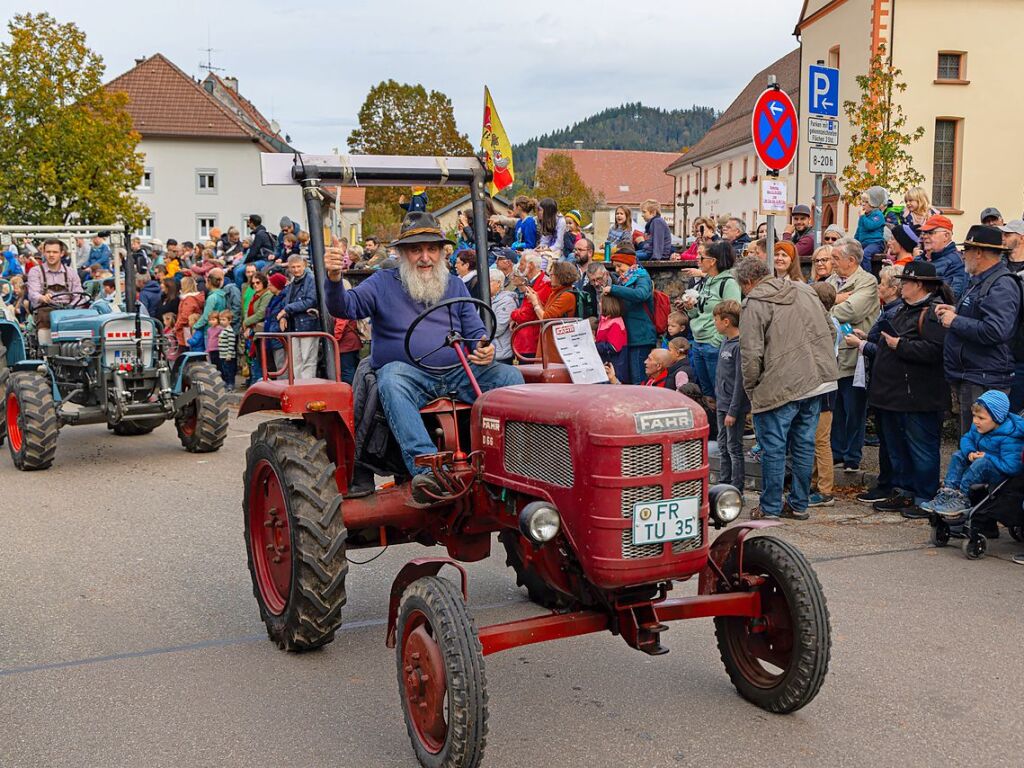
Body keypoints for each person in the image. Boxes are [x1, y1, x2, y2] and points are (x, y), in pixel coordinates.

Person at [323, 211, 523, 501]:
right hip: (410, 374)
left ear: (442, 253)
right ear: (403, 253)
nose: (425, 257)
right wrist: (333, 279)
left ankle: (506, 463)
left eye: (432, 249)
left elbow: (475, 330)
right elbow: (345, 307)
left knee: (510, 376)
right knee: (390, 377)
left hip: (458, 371)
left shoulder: (453, 284)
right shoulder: (382, 282)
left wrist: (484, 347)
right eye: (416, 249)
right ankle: (426, 468)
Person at [734, 256, 839, 520]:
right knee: (804, 444)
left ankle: (770, 507)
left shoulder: (754, 303)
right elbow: (831, 330)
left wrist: (752, 388)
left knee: (774, 447)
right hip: (815, 380)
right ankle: (799, 504)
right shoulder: (803, 288)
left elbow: (750, 353)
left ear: (747, 282)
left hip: (780, 384)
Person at [850, 261, 950, 516]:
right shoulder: (903, 309)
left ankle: (924, 497)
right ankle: (903, 492)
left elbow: (937, 351)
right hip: (893, 395)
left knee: (921, 449)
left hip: (918, 397)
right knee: (898, 449)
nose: (901, 286)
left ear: (918, 285)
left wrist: (900, 345)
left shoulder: (933, 312)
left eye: (905, 282)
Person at [935, 225, 1021, 435]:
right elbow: (981, 315)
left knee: (979, 446)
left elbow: (996, 330)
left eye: (967, 250)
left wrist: (955, 321)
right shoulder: (981, 281)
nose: (963, 255)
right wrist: (956, 312)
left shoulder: (1001, 284)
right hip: (975, 374)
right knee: (970, 443)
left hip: (985, 378)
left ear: (979, 252)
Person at [922, 391, 1024, 516]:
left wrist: (988, 457)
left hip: (999, 472)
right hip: (980, 463)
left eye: (981, 418)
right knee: (958, 455)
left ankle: (962, 498)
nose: (975, 421)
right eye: (974, 416)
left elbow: (1012, 467)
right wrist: (970, 451)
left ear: (997, 418)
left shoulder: (1010, 437)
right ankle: (947, 493)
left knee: (982, 463)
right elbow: (967, 438)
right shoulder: (979, 426)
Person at [827, 238, 879, 473]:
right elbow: (813, 301)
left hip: (854, 356)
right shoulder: (831, 280)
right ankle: (836, 452)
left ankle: (852, 457)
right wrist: (834, 301)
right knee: (835, 409)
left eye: (836, 258)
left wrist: (828, 305)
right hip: (832, 356)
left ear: (852, 260)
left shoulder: (867, 282)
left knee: (853, 409)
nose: (832, 262)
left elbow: (852, 310)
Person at [681, 240, 742, 399]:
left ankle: (724, 423)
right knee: (707, 395)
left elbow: (734, 314)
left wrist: (716, 341)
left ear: (713, 261)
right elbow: (697, 313)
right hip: (698, 343)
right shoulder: (706, 280)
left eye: (701, 257)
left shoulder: (728, 283)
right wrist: (690, 308)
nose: (698, 260)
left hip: (714, 345)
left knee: (721, 394)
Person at [712, 299, 749, 493]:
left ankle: (736, 488)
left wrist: (733, 410)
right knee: (722, 445)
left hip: (732, 407)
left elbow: (740, 381)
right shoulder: (725, 342)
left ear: (726, 321)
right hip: (721, 403)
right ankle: (723, 484)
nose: (714, 323)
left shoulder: (739, 346)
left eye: (716, 319)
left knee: (734, 447)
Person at [807, 282, 839, 508]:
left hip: (825, 387)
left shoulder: (828, 325)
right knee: (813, 438)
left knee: (821, 440)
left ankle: (826, 489)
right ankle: (815, 481)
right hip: (817, 383)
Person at [604, 246, 656, 384]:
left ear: (629, 263)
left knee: (638, 379)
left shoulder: (642, 276)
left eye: (619, 265)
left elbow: (641, 294)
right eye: (615, 267)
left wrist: (614, 289)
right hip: (630, 337)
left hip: (641, 337)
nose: (617, 270)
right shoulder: (625, 280)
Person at [27, 239, 84, 345]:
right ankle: (47, 351)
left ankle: (82, 347)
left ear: (61, 253)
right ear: (44, 253)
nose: (51, 255)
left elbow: (78, 294)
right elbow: (33, 293)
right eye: (48, 252)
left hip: (68, 309)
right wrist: (42, 297)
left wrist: (73, 305)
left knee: (84, 317)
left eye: (55, 252)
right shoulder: (36, 271)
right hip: (47, 308)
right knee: (44, 316)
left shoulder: (71, 272)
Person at [277, 254, 320, 379]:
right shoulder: (293, 281)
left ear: (304, 265)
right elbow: (288, 300)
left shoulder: (311, 279)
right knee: (296, 361)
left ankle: (306, 388)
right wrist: (285, 315)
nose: (296, 270)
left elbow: (309, 301)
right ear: (289, 268)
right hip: (295, 325)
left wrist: (286, 310)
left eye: (298, 267)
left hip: (308, 324)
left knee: (308, 360)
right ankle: (299, 386)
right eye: (293, 267)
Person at [527, 260, 578, 363]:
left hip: (556, 347)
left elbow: (545, 318)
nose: (550, 276)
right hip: (549, 341)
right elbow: (546, 313)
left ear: (561, 276)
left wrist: (535, 303)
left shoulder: (567, 296)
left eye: (552, 274)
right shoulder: (555, 293)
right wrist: (537, 299)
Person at [509, 251, 551, 358]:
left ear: (531, 265)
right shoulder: (535, 281)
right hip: (526, 340)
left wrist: (513, 315)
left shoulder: (544, 284)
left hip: (532, 342)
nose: (520, 267)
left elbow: (526, 314)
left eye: (522, 264)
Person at [918, 215, 967, 299]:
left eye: (930, 232)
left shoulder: (957, 263)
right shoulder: (919, 258)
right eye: (924, 232)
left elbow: (950, 297)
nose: (925, 236)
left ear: (946, 236)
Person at [243, 272, 273, 384]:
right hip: (251, 330)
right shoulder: (255, 295)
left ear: (264, 282)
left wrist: (246, 322)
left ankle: (258, 384)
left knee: (259, 361)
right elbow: (248, 311)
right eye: (253, 283)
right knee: (253, 360)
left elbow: (261, 313)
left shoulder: (267, 295)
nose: (255, 285)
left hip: (260, 331)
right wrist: (246, 325)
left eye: (258, 282)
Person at [595, 294, 628, 383]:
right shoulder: (605, 321)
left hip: (615, 367)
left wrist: (595, 346)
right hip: (607, 364)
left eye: (601, 302)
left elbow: (614, 347)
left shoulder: (615, 323)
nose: (599, 304)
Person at [854, 186, 887, 272]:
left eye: (866, 202)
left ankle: (867, 275)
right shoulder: (864, 217)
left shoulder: (878, 215)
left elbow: (870, 226)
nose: (863, 204)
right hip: (864, 243)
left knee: (865, 255)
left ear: (874, 203)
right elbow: (859, 230)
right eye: (863, 202)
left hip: (875, 243)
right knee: (854, 254)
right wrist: (855, 242)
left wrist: (862, 217)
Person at [489, 268, 518, 365]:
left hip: (500, 353)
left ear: (499, 283)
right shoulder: (486, 299)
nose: (485, 284)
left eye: (489, 281)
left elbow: (498, 328)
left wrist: (479, 334)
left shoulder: (507, 301)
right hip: (488, 350)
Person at [605, 348, 674, 387]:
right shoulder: (650, 380)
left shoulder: (666, 385)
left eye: (649, 359)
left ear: (659, 366)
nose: (645, 362)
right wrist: (612, 378)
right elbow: (632, 393)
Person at [174, 276, 205, 350]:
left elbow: (185, 316)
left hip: (186, 331)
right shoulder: (193, 298)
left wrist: (176, 326)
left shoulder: (189, 299)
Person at [219, 310, 238, 390]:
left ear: (229, 320)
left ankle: (231, 384)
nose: (221, 322)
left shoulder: (229, 331)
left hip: (228, 355)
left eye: (224, 320)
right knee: (225, 370)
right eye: (220, 320)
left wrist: (229, 354)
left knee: (229, 371)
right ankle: (226, 383)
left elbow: (231, 343)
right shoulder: (223, 330)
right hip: (222, 355)